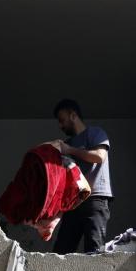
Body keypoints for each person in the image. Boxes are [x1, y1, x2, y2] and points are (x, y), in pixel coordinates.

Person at [46, 99, 113, 254]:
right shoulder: (67, 143)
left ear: (73, 115)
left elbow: (99, 156)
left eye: (62, 120)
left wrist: (70, 150)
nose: (60, 126)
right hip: (74, 202)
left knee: (94, 250)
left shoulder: (95, 133)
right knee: (61, 251)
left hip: (96, 198)